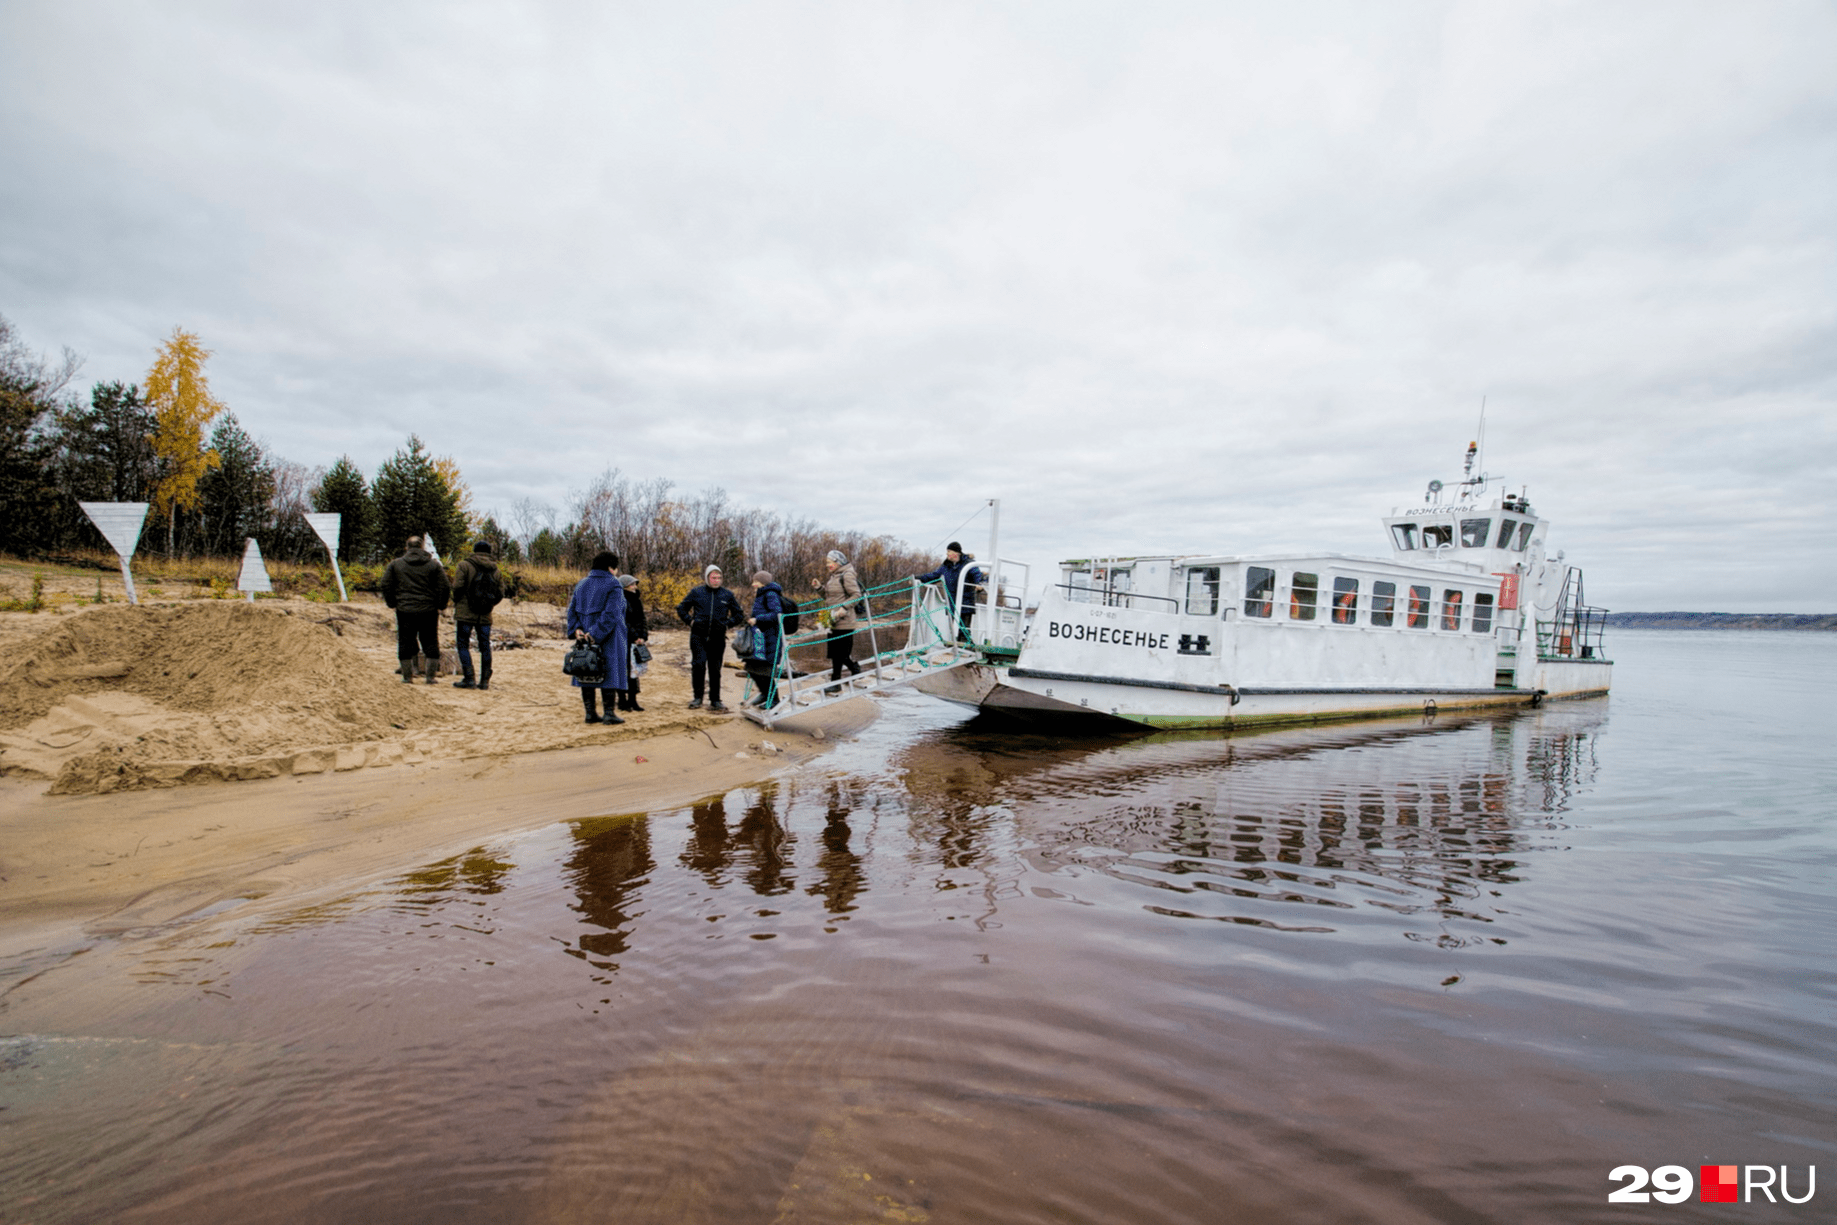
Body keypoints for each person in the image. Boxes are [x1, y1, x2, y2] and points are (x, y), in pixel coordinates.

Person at [564, 550, 630, 725]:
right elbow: (611, 614)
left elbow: (571, 611)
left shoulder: (581, 584)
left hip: (583, 637)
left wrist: (577, 630)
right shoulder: (613, 584)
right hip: (609, 637)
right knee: (609, 673)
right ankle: (609, 713)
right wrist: (595, 634)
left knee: (586, 671)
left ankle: (590, 713)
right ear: (611, 567)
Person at [380, 534, 450, 684]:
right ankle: (430, 677)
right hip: (428, 610)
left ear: (407, 548)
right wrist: (441, 605)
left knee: (405, 641)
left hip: (405, 610)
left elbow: (385, 584)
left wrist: (392, 603)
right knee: (430, 641)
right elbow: (444, 587)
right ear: (422, 547)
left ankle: (407, 677)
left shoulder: (396, 564)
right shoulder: (433, 565)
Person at [676, 564, 745, 711]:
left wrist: (727, 624)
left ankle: (715, 700)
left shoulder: (727, 595)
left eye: (719, 577)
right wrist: (691, 621)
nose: (717, 580)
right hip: (698, 637)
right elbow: (681, 608)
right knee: (698, 666)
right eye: (714, 577)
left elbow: (739, 615)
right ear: (707, 577)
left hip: (718, 638)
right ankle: (697, 698)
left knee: (715, 669)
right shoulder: (696, 592)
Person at [450, 540, 500, 690]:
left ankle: (469, 678)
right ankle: (484, 681)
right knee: (485, 646)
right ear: (489, 552)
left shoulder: (464, 565)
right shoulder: (495, 570)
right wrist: (489, 604)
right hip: (485, 614)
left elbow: (457, 587)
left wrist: (458, 601)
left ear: (474, 550)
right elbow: (500, 593)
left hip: (465, 612)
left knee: (462, 644)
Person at [916, 541, 986, 644]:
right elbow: (933, 576)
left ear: (956, 553)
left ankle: (966, 648)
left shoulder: (968, 563)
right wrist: (918, 578)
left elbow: (977, 574)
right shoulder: (946, 566)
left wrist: (979, 584)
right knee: (954, 630)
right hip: (952, 602)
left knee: (964, 630)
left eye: (949, 551)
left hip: (965, 603)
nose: (947, 554)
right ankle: (957, 648)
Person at [812, 549, 863, 691]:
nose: (828, 565)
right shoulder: (834, 576)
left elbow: (856, 595)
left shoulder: (847, 574)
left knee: (839, 654)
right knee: (836, 653)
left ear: (837, 562)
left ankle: (836, 683)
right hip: (831, 619)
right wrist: (819, 588)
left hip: (844, 620)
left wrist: (844, 608)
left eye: (830, 562)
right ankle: (854, 668)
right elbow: (830, 598)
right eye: (827, 563)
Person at [745, 570, 788, 708]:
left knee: (766, 670)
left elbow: (776, 615)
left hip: (771, 638)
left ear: (762, 582)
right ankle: (765, 694)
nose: (753, 584)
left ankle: (774, 700)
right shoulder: (762, 594)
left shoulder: (770, 594)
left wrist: (757, 620)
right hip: (761, 638)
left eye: (755, 581)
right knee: (752, 667)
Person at [616, 573, 649, 712]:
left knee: (634, 672)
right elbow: (623, 621)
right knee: (623, 670)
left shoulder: (637, 600)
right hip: (623, 640)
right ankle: (622, 701)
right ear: (624, 586)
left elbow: (642, 619)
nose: (635, 586)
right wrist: (635, 635)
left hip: (636, 641)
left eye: (635, 584)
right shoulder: (619, 600)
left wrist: (643, 636)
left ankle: (633, 700)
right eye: (632, 584)